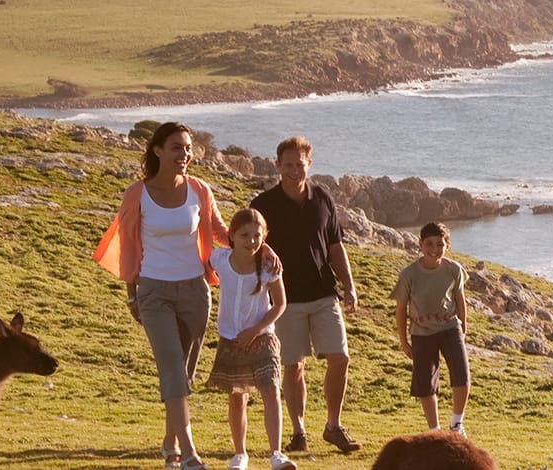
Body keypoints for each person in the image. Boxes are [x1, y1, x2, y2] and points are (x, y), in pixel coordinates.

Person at [93, 122, 227, 470]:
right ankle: (189, 452)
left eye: (187, 148)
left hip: (195, 291)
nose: (184, 154)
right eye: (176, 147)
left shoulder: (200, 189)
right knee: (170, 368)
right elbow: (127, 248)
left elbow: (220, 231)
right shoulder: (137, 193)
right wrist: (131, 294)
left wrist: (260, 246)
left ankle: (169, 443)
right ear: (157, 151)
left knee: (183, 373)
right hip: (154, 291)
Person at [245, 137, 364, 453]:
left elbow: (335, 247)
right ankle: (298, 432)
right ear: (278, 165)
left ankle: (333, 426)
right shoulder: (262, 206)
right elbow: (247, 245)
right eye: (288, 165)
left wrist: (349, 286)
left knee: (340, 358)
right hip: (284, 299)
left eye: (300, 164)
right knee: (293, 365)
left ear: (309, 165)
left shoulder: (323, 198)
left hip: (325, 293)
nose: (295, 170)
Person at [202, 209, 298, 470]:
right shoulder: (220, 259)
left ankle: (276, 455)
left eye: (257, 236)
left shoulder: (268, 267)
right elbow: (200, 257)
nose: (251, 241)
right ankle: (239, 454)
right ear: (232, 236)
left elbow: (280, 304)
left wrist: (256, 329)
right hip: (230, 339)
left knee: (271, 391)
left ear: (264, 237)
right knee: (237, 397)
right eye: (244, 235)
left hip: (262, 337)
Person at [392, 223, 472, 434]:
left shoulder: (454, 269)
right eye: (429, 244)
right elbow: (401, 309)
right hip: (422, 333)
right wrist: (404, 341)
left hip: (450, 328)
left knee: (462, 375)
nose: (434, 249)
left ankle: (456, 424)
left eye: (440, 244)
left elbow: (459, 298)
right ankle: (434, 430)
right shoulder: (408, 274)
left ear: (447, 245)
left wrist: (463, 326)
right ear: (420, 244)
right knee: (426, 383)